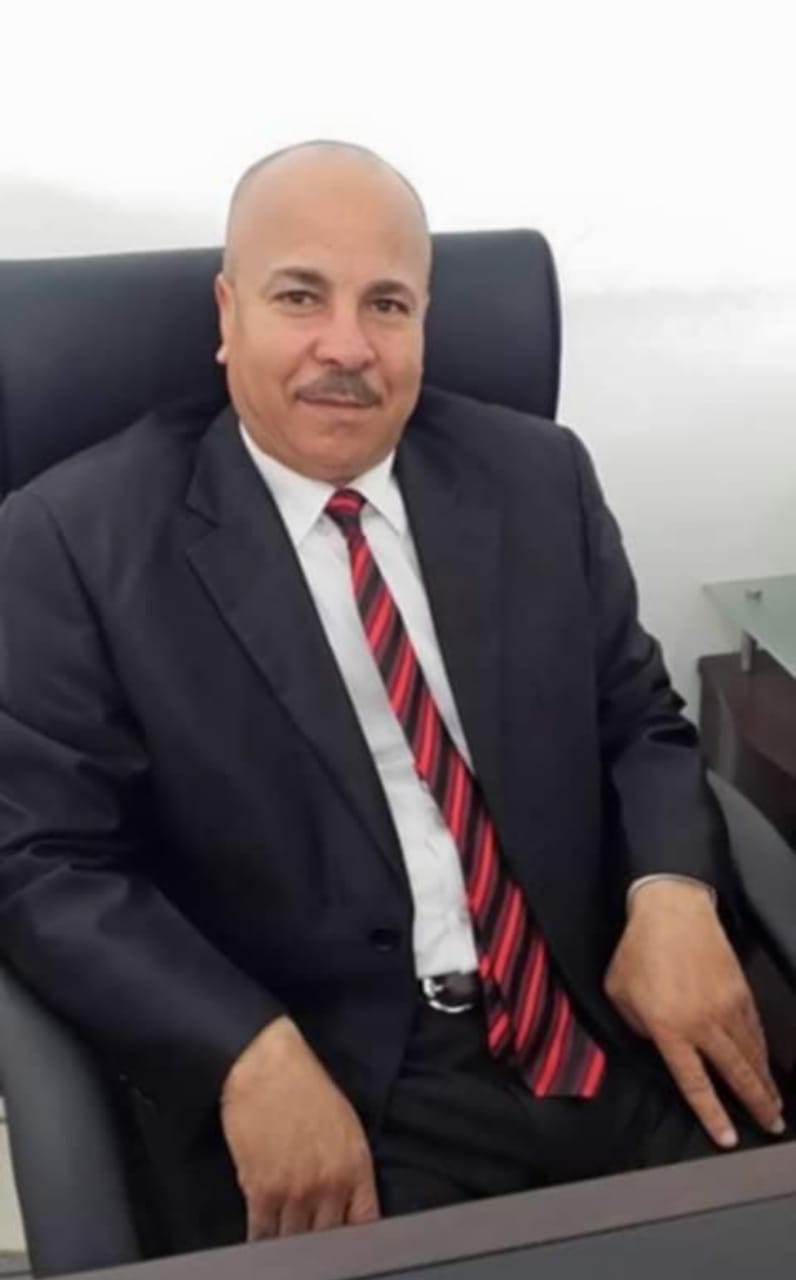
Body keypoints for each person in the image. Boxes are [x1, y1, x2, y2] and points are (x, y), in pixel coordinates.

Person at [0, 141, 787, 1253]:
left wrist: (671, 894)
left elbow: (638, 718)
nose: (347, 346)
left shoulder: (538, 477)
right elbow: (42, 857)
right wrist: (244, 1050)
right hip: (340, 1083)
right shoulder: (73, 540)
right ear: (227, 313)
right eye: (299, 296)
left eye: (387, 303)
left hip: (605, 1024)